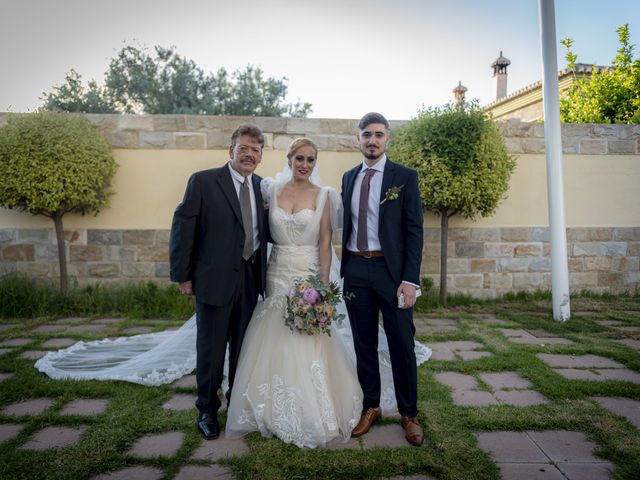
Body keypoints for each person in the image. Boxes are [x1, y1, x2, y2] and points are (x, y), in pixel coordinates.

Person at [224, 138, 363, 448]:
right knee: (274, 330)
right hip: (277, 271)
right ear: (289, 159)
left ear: (315, 163)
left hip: (308, 272)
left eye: (310, 159)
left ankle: (312, 405)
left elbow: (325, 242)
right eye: (299, 158)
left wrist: (323, 286)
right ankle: (270, 407)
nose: (304, 164)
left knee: (307, 336)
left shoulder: (325, 195)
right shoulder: (270, 190)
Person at [169, 124, 269, 440]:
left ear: (261, 155)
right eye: (244, 148)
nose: (249, 154)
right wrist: (183, 275)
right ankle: (207, 410)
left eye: (255, 150)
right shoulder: (203, 181)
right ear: (231, 151)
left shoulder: (264, 188)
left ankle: (236, 404)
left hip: (251, 281)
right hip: (213, 281)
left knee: (244, 348)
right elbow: (184, 228)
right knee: (211, 349)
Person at [341, 112, 425, 446]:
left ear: (387, 138)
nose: (372, 140)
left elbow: (414, 231)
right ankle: (371, 406)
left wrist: (410, 279)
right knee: (363, 343)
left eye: (378, 134)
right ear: (358, 139)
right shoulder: (348, 177)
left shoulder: (404, 177)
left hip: (391, 274)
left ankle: (409, 413)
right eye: (366, 135)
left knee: (401, 342)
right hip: (356, 270)